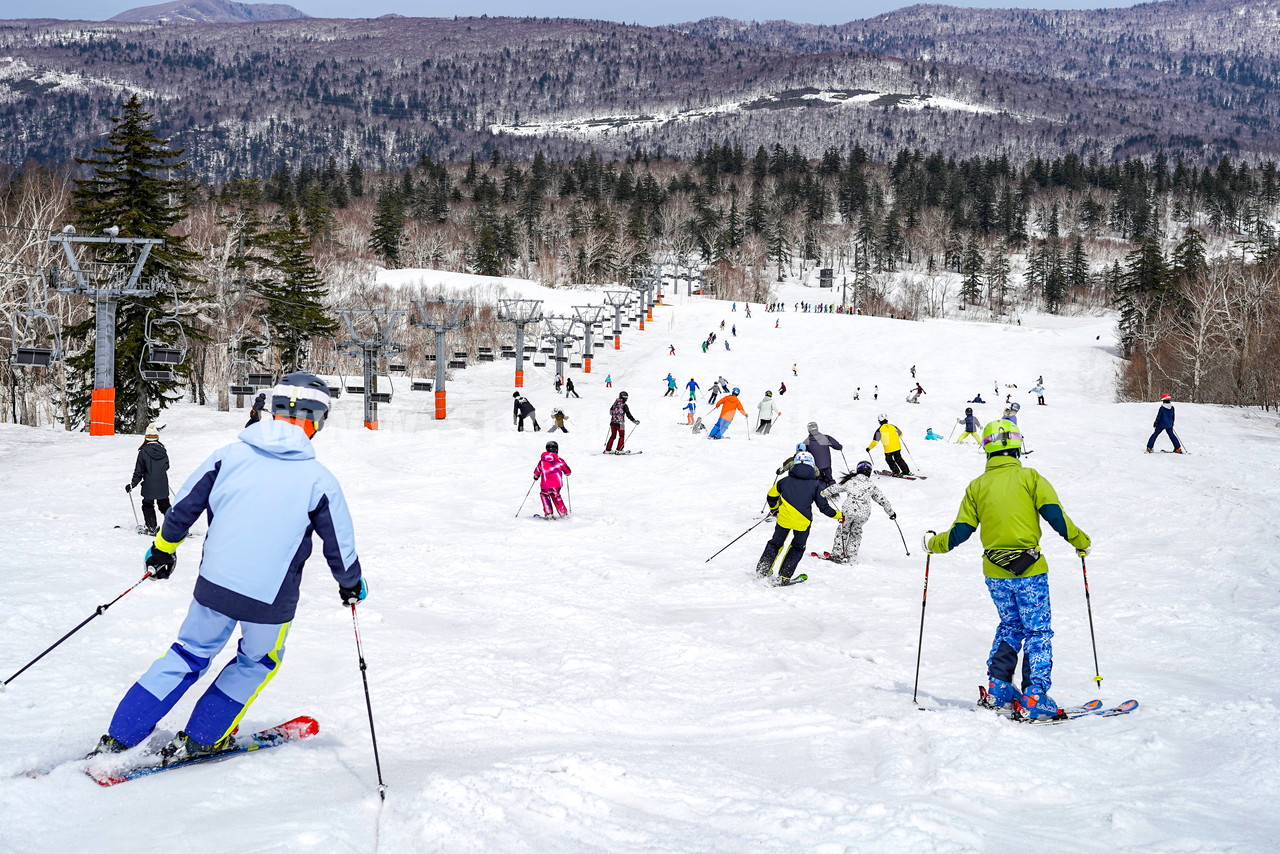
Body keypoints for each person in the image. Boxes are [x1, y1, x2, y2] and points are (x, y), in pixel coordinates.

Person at [91, 373, 365, 760]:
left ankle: (121, 735)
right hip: (269, 601)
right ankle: (203, 737)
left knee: (187, 653)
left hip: (214, 585)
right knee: (257, 662)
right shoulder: (319, 480)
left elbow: (183, 506)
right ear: (316, 421)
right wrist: (351, 584)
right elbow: (340, 544)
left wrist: (162, 550)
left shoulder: (228, 456)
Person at [923, 419, 1091, 719]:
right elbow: (1055, 516)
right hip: (1030, 571)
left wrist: (933, 544)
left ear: (987, 450)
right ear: (1017, 447)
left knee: (1010, 626)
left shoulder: (977, 486)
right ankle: (1034, 696)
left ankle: (999, 686)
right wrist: (1081, 542)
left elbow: (961, 531)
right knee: (1037, 631)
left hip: (995, 572)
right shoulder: (1031, 478)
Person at [757, 451, 841, 585]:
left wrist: (774, 510)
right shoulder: (816, 485)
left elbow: (771, 496)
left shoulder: (784, 481)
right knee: (797, 547)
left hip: (783, 520)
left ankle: (763, 569)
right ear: (812, 466)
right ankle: (785, 576)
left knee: (775, 543)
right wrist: (839, 515)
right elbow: (824, 507)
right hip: (803, 522)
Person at [820, 461, 895, 563]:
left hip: (848, 511)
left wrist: (823, 493)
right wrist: (891, 512)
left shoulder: (850, 481)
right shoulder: (871, 485)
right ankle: (851, 555)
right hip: (863, 514)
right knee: (856, 532)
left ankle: (837, 554)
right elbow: (882, 499)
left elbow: (836, 488)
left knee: (843, 530)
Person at [126, 423, 171, 535]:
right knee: (164, 505)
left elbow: (139, 471)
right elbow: (167, 466)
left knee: (147, 505)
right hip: (162, 484)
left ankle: (151, 526)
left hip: (149, 484)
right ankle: (176, 525)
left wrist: (132, 484)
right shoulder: (163, 450)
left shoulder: (143, 452)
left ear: (146, 437)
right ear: (157, 437)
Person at [534, 441, 572, 519]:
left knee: (544, 496)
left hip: (545, 485)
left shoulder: (542, 461)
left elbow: (537, 471)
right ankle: (563, 513)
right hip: (556, 485)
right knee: (556, 497)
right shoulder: (560, 461)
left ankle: (548, 513)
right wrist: (567, 473)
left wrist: (536, 476)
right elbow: (568, 471)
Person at [803, 421, 844, 485]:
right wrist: (840, 447)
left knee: (820, 479)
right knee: (829, 478)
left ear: (808, 430)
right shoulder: (825, 437)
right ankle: (834, 493)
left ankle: (822, 493)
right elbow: (837, 446)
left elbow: (802, 453)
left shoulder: (806, 442)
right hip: (827, 465)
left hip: (816, 466)